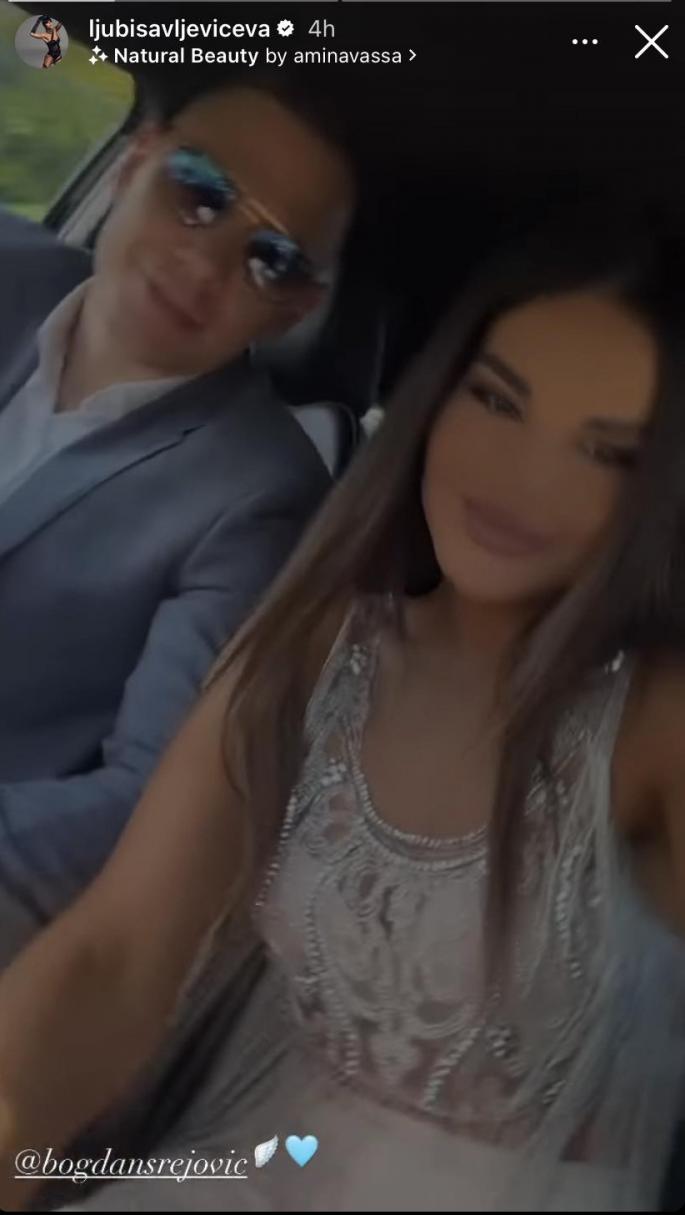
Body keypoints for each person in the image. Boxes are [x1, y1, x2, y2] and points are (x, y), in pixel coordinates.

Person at [1, 204, 684, 1214]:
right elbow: (119, 952)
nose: (520, 478)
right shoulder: (318, 644)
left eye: (606, 453)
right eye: (497, 400)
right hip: (262, 1169)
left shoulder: (654, 722)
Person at [0, 75, 356, 965]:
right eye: (199, 191)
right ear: (134, 164)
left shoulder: (260, 491)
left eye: (272, 257)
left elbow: (148, 797)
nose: (204, 265)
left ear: (296, 305)